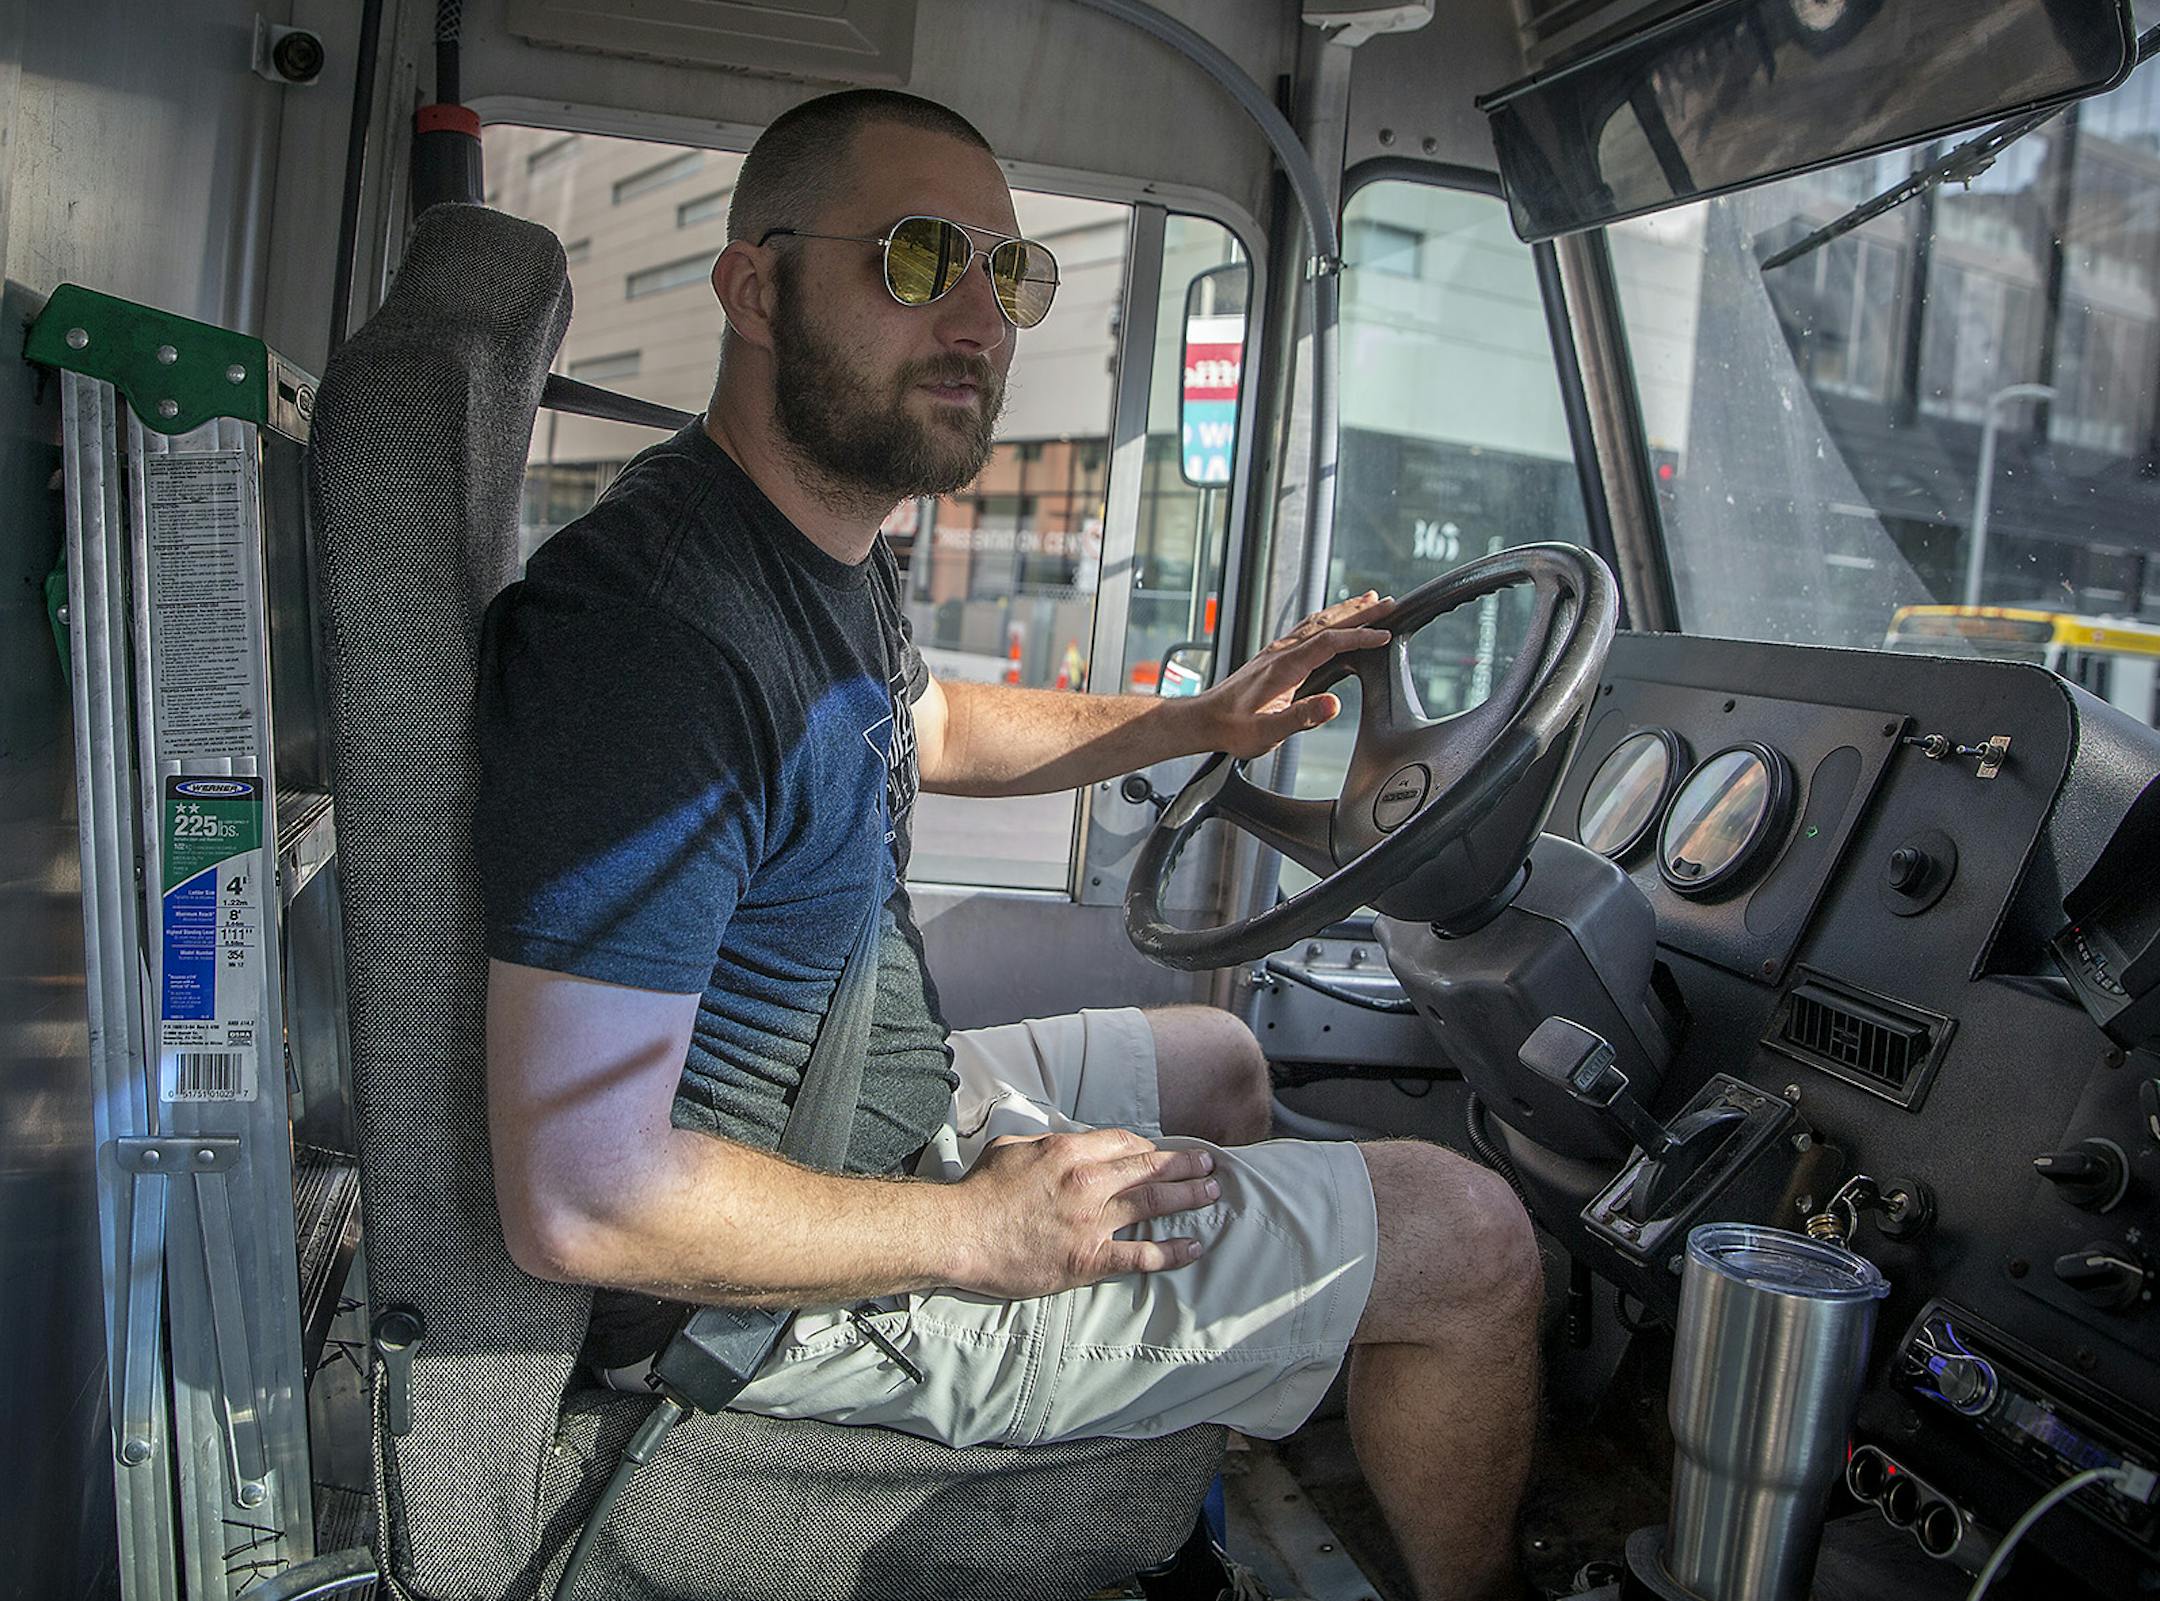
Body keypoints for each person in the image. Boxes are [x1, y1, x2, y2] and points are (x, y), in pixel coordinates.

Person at [477, 88, 1541, 1601]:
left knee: (1225, 1061)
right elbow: (582, 1187)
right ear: (753, 284)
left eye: (1009, 274)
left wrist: (1198, 722)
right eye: (917, 260)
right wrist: (973, 1231)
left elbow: (933, 726)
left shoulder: (802, 545)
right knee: (1476, 1239)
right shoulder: (652, 640)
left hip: (872, 1109)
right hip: (751, 1294)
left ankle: (1178, 1428)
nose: (980, 318)